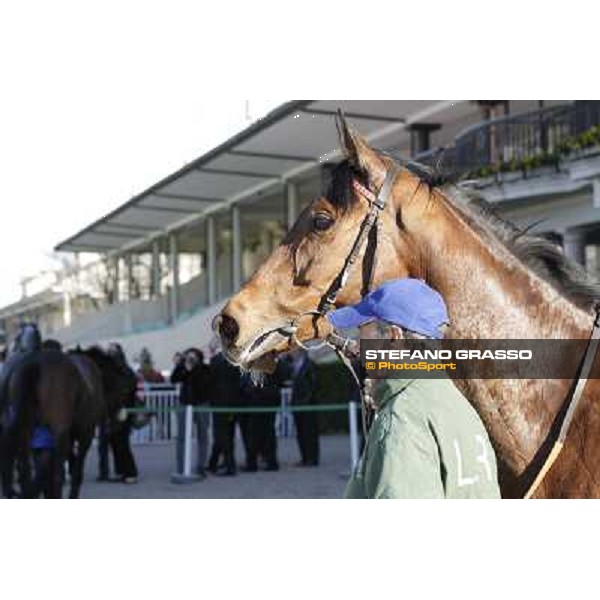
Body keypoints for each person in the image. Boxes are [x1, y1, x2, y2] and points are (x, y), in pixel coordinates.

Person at [328, 278, 501, 499]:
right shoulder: (458, 404)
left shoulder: (402, 419)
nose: (358, 346)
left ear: (393, 338)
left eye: (363, 333)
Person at [240, 358, 288, 472]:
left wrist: (253, 390)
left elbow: (275, 383)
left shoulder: (270, 364)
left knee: (260, 435)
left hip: (262, 403)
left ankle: (257, 463)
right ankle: (266, 461)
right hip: (260, 403)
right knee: (263, 434)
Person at [170, 348, 211, 477]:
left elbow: (204, 384)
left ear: (199, 357)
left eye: (193, 357)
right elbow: (174, 379)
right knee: (181, 437)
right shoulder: (182, 367)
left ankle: (201, 466)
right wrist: (184, 367)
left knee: (202, 436)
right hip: (184, 403)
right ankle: (181, 467)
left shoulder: (204, 369)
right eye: (189, 357)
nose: (191, 359)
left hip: (201, 403)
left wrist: (194, 368)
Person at [105, 342, 139, 484]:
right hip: (112, 411)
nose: (110, 354)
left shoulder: (125, 370)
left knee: (122, 441)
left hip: (124, 410)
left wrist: (121, 405)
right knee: (114, 442)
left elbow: (128, 389)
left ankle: (131, 472)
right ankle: (121, 471)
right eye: (109, 351)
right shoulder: (109, 371)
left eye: (113, 351)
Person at [207, 351, 242, 476]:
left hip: (220, 404)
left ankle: (229, 465)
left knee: (222, 435)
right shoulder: (237, 358)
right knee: (226, 435)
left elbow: (210, 382)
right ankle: (214, 463)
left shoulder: (216, 361)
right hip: (232, 403)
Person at [287, 349, 319, 467]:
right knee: (301, 433)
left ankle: (312, 458)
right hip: (298, 405)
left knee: (310, 433)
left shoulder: (310, 365)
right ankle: (305, 457)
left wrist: (305, 402)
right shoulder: (294, 366)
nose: (291, 353)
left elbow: (313, 386)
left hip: (308, 405)